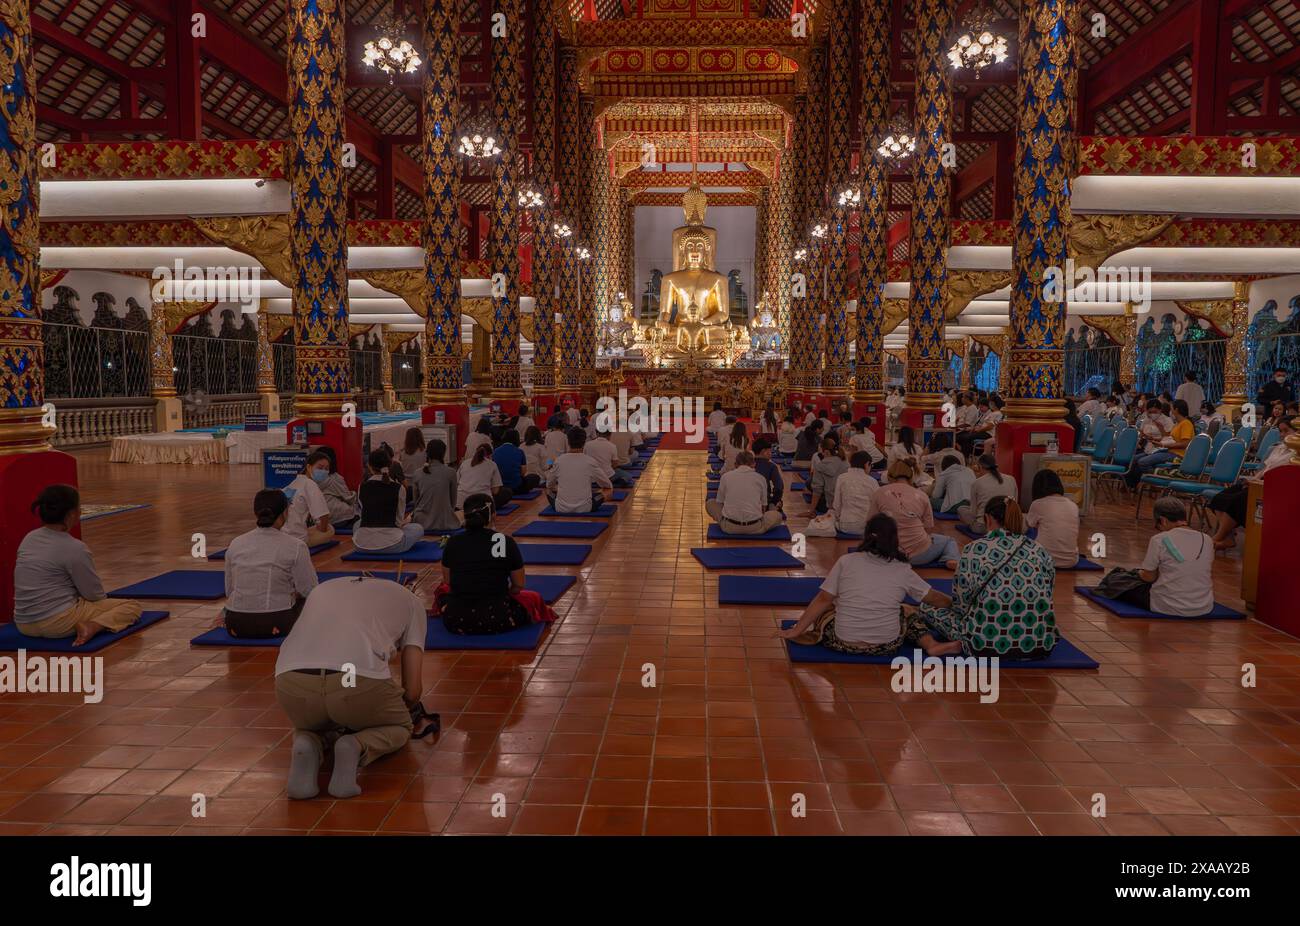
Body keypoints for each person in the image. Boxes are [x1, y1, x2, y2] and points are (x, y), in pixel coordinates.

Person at [274, 575, 426, 799]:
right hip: (355, 678)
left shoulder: (322, 589)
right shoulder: (412, 602)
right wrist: (391, 709)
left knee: (314, 723)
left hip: (289, 678)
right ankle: (355, 745)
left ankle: (308, 741)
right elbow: (412, 690)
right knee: (401, 727)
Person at [778, 514, 955, 655]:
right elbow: (934, 598)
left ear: (866, 536)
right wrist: (956, 604)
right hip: (886, 645)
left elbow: (823, 599)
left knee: (828, 608)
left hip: (842, 642)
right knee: (907, 610)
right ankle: (931, 645)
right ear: (894, 539)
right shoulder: (902, 568)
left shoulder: (846, 561)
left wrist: (797, 630)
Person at [916, 496, 1059, 659]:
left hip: (983, 644)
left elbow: (961, 606)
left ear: (988, 519)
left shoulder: (973, 550)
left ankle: (962, 642)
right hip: (1039, 643)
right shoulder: (1038, 550)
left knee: (927, 608)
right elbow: (1049, 591)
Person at [12, 485, 142, 644]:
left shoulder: (29, 538)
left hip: (23, 623)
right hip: (58, 624)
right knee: (131, 606)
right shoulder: (75, 548)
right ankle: (92, 626)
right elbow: (94, 595)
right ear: (71, 514)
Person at [435, 493, 556, 635]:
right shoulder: (503, 541)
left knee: (441, 591)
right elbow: (518, 585)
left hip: (457, 620)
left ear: (465, 516)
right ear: (493, 515)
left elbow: (448, 581)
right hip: (498, 619)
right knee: (532, 598)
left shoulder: (454, 542)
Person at [222, 489, 319, 638]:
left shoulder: (236, 543)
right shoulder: (296, 545)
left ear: (256, 513)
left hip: (236, 623)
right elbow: (310, 590)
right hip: (276, 623)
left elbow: (230, 591)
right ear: (285, 513)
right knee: (309, 603)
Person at [1106, 497, 1214, 617]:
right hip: (1203, 606)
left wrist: (1137, 574)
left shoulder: (1160, 539)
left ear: (1162, 520)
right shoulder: (1207, 539)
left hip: (1167, 605)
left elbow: (1148, 578)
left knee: (1116, 579)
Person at [1208, 414, 1296, 550]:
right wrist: (1253, 480)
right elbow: (1266, 468)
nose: (1282, 435)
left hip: (1274, 489)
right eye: (1280, 431)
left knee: (1237, 501)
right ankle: (1228, 537)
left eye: (1286, 431)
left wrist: (1258, 483)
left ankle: (1219, 537)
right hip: (1259, 483)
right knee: (1220, 498)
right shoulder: (1280, 448)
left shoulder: (1296, 454)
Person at [874, 461, 959, 569]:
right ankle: (951, 558)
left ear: (889, 477)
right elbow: (928, 528)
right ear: (911, 477)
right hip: (919, 556)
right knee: (948, 540)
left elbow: (870, 524)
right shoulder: (922, 495)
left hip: (888, 554)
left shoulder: (879, 492)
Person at [353, 449, 425, 554]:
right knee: (418, 528)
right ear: (390, 464)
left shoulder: (361, 487)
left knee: (357, 524)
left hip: (361, 545)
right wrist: (408, 520)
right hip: (392, 544)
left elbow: (365, 514)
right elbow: (398, 522)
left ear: (369, 466)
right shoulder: (399, 488)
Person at [707, 450, 783, 535]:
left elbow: (720, 502)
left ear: (735, 464)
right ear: (754, 464)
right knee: (777, 516)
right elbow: (763, 507)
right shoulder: (761, 478)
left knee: (710, 503)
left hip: (728, 527)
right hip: (755, 527)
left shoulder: (725, 477)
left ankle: (725, 522)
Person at [1125, 398, 1194, 490]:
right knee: (1136, 459)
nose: (1171, 411)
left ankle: (1161, 476)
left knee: (1143, 462)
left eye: (1172, 409)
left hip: (1177, 454)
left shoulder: (1186, 424)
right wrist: (1156, 440)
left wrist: (1163, 445)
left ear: (1176, 410)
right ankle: (1132, 484)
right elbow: (1170, 439)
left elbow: (1185, 443)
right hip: (1167, 451)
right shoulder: (1178, 424)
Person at [547, 427, 613, 513]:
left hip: (560, 508)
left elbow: (549, 484)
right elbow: (607, 485)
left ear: (568, 441)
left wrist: (560, 488)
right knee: (608, 491)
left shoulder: (558, 460)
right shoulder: (590, 461)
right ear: (584, 442)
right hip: (586, 508)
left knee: (547, 491)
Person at [1025, 469, 1081, 569]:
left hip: (1043, 559)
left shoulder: (1038, 504)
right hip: (1071, 561)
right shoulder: (1073, 505)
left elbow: (1030, 525)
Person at [957, 453, 1019, 534]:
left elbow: (973, 512)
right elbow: (1015, 503)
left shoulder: (977, 483)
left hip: (983, 527)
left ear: (979, 467)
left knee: (961, 509)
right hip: (1009, 525)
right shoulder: (1011, 479)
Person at [282, 451, 335, 545]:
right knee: (330, 529)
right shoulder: (310, 484)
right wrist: (322, 531)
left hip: (282, 535)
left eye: (326, 469)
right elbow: (323, 515)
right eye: (320, 467)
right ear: (309, 467)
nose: (323, 471)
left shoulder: (293, 483)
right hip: (298, 539)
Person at [410, 438, 460, 532]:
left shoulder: (417, 473)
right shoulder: (451, 472)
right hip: (445, 521)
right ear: (443, 454)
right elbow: (453, 502)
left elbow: (416, 501)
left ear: (427, 453)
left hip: (421, 523)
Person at [830, 451, 879, 536]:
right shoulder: (872, 481)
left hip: (845, 525)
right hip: (866, 527)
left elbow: (836, 505)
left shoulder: (842, 478)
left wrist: (837, 518)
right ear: (867, 464)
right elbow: (878, 505)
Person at [457, 442, 512, 510]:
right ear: (490, 455)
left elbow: (457, 482)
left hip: (460, 502)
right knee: (507, 492)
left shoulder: (464, 463)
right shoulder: (492, 464)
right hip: (482, 503)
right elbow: (495, 491)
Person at [315, 445, 357, 526]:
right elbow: (349, 499)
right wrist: (354, 494)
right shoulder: (335, 478)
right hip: (337, 517)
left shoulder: (311, 477)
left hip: (318, 518)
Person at [807, 436, 848, 514]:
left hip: (830, 506)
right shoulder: (846, 462)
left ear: (825, 452)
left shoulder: (820, 466)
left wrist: (811, 510)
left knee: (809, 482)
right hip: (847, 504)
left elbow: (817, 490)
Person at [493, 428, 540, 494]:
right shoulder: (519, 451)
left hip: (501, 485)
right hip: (517, 486)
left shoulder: (495, 451)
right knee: (535, 477)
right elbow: (523, 472)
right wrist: (551, 463)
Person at [750, 438, 785, 509]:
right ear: (763, 451)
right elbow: (779, 488)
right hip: (763, 503)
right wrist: (774, 501)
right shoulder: (771, 466)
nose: (771, 454)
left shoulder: (746, 464)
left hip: (746, 501)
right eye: (770, 451)